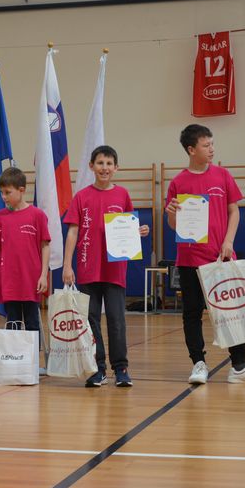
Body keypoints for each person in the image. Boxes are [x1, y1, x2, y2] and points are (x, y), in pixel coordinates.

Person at [165, 124, 245, 384]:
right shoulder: (178, 182)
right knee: (192, 313)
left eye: (212, 144)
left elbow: (234, 211)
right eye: (206, 145)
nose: (212, 149)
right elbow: (174, 225)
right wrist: (171, 213)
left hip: (221, 257)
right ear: (191, 150)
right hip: (190, 259)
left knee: (232, 312)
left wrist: (228, 241)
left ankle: (239, 366)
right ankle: (198, 364)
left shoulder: (223, 175)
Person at [63, 146, 149, 388]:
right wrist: (67, 265)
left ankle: (121, 368)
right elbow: (72, 232)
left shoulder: (122, 194)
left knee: (116, 319)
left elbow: (129, 227)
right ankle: (97, 368)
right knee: (90, 320)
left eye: (109, 163)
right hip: (87, 268)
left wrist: (140, 231)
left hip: (115, 269)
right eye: (100, 163)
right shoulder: (81, 196)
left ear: (116, 168)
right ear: (91, 166)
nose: (105, 168)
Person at [0, 167, 50, 341]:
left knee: (32, 322)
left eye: (8, 192)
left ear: (21, 190)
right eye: (1, 192)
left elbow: (45, 246)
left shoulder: (37, 215)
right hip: (8, 279)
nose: (3, 196)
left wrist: (43, 275)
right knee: (12, 322)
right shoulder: (0, 217)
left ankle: (33, 358)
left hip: (31, 279)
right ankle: (15, 357)